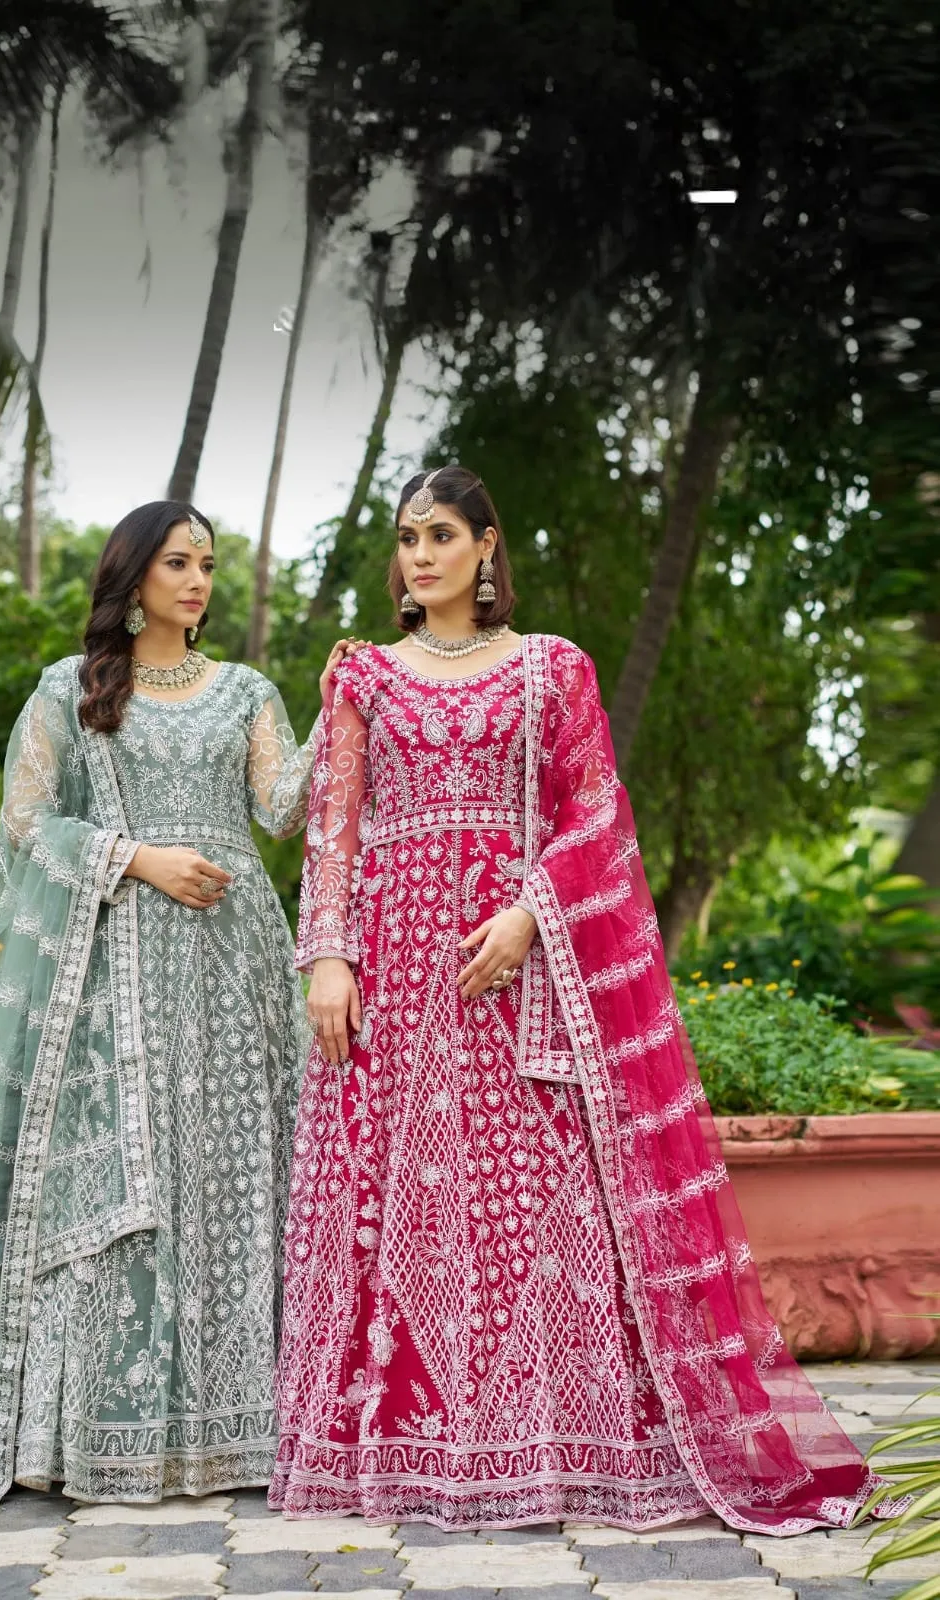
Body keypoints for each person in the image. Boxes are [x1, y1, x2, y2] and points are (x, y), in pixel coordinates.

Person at [271, 465, 898, 1534]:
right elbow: (332, 829)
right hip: (392, 970)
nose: (419, 556)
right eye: (407, 539)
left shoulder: (550, 668)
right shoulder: (362, 676)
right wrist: (327, 958)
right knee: (394, 1200)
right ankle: (405, 1448)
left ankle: (556, 1443)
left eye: (440, 535)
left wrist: (527, 913)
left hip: (517, 974)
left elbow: (594, 814)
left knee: (526, 1198)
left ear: (486, 545)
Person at [0, 500, 358, 1507]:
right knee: (136, 1191)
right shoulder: (71, 689)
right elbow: (27, 820)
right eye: (178, 562)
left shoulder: (246, 690)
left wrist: (339, 705)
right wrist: (136, 857)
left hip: (236, 967)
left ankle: (247, 1432)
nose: (198, 580)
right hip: (111, 978)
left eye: (207, 564)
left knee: (236, 1172)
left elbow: (282, 809)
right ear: (133, 578)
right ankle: (101, 1435)